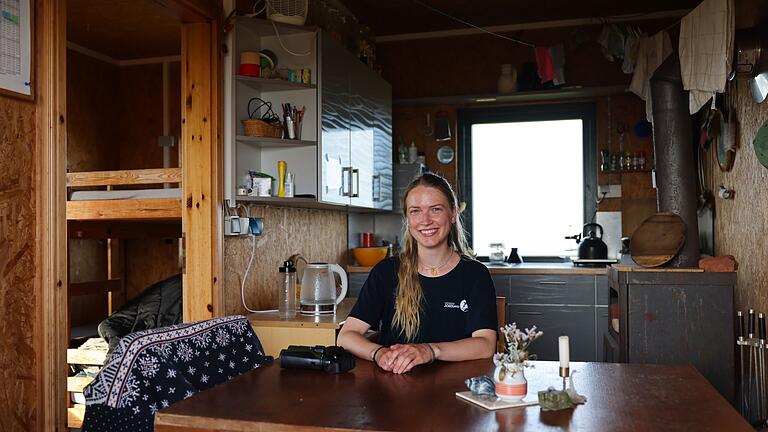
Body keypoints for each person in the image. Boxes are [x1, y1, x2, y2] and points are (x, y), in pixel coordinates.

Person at [337, 173, 497, 374]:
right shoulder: (386, 272)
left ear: (453, 214)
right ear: (407, 219)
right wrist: (378, 353)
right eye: (415, 211)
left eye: (436, 209)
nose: (426, 220)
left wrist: (430, 350)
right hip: (395, 389)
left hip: (457, 390)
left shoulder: (475, 274)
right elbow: (346, 335)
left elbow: (485, 345)